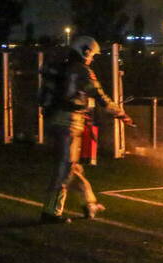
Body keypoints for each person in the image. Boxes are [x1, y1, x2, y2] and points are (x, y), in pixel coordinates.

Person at [40, 35, 133, 224]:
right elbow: (99, 95)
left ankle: (89, 203)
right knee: (65, 169)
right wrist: (121, 114)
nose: (92, 59)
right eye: (92, 55)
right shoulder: (82, 71)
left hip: (54, 121)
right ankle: (51, 212)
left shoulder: (62, 67)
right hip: (70, 122)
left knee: (71, 167)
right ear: (85, 51)